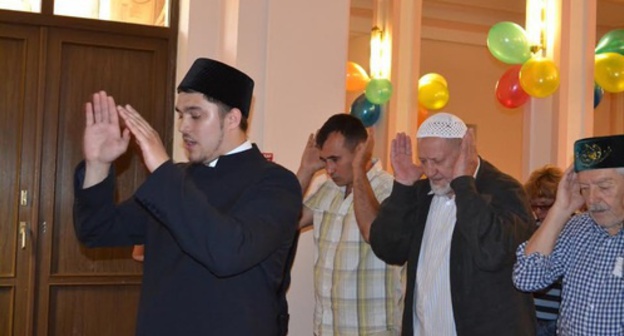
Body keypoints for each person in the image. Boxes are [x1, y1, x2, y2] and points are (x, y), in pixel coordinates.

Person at [73, 58, 302, 336]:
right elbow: (96, 230)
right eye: (181, 114)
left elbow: (227, 253)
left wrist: (161, 169)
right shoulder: (175, 180)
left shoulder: (276, 183)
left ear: (232, 118)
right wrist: (98, 164)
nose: (182, 126)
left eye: (195, 115)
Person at [369, 112, 536, 336]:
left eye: (438, 161)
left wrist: (464, 184)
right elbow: (388, 249)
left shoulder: (504, 190)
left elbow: (492, 253)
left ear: (466, 153)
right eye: (424, 161)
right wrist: (403, 186)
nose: (429, 171)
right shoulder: (421, 192)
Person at [297, 114, 404, 336]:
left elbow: (375, 233)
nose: (329, 169)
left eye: (335, 159)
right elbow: (285, 223)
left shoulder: (389, 190)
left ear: (360, 152)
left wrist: (357, 171)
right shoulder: (327, 189)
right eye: (325, 160)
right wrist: (306, 170)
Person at [514, 134, 624, 335]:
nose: (592, 199)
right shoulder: (576, 228)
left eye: (604, 187)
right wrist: (560, 210)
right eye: (584, 188)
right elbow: (526, 278)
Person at [524, 165, 564, 336]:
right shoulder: (532, 229)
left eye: (544, 206)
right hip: (533, 316)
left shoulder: (575, 229)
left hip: (559, 319)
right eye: (534, 207)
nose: (538, 213)